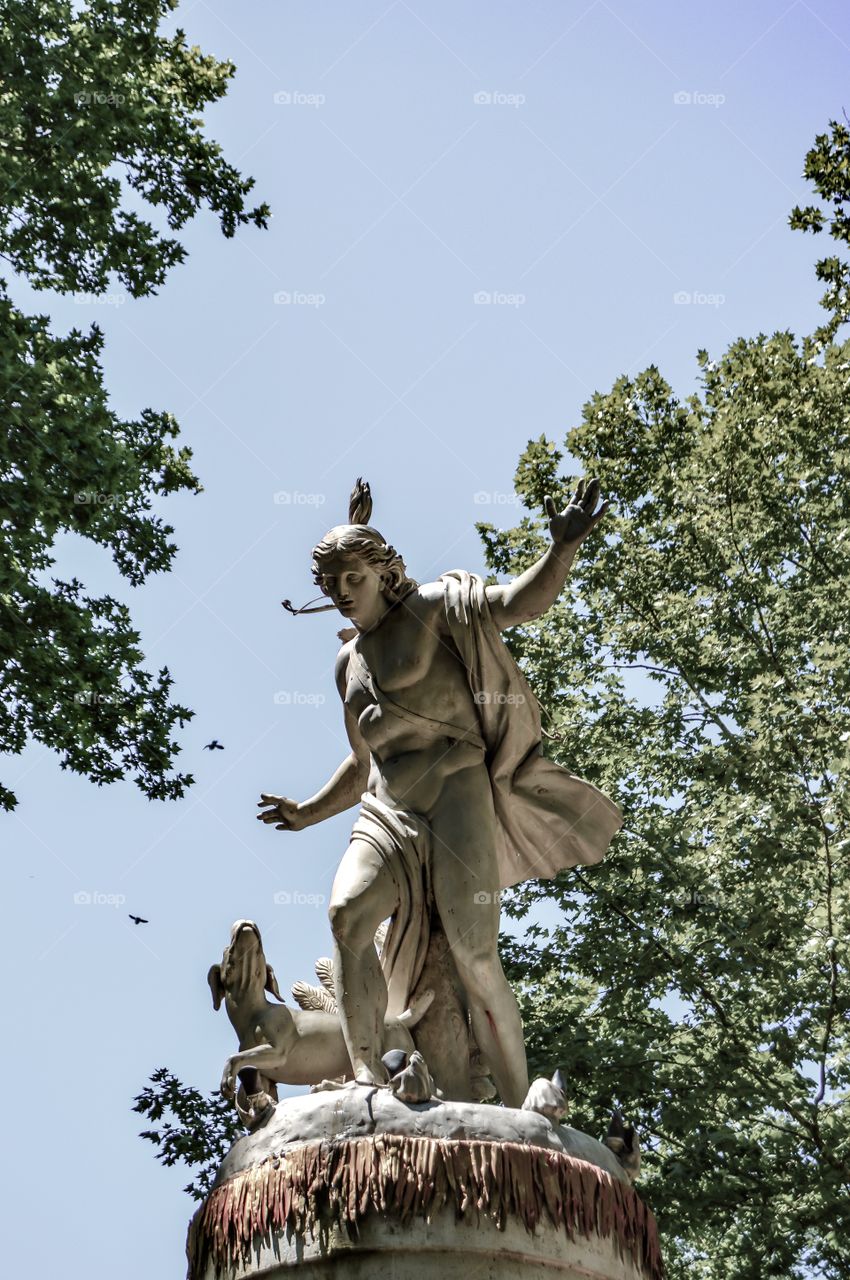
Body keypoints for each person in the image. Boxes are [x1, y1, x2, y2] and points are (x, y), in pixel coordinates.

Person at [258, 478, 621, 1108]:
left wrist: (559, 550)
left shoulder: (433, 608)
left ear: (381, 571)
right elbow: (362, 760)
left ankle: (518, 1107)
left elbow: (517, 604)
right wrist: (307, 811)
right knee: (346, 915)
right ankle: (367, 1073)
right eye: (332, 585)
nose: (343, 593)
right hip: (387, 809)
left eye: (353, 578)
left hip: (457, 795)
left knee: (476, 955)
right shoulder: (348, 666)